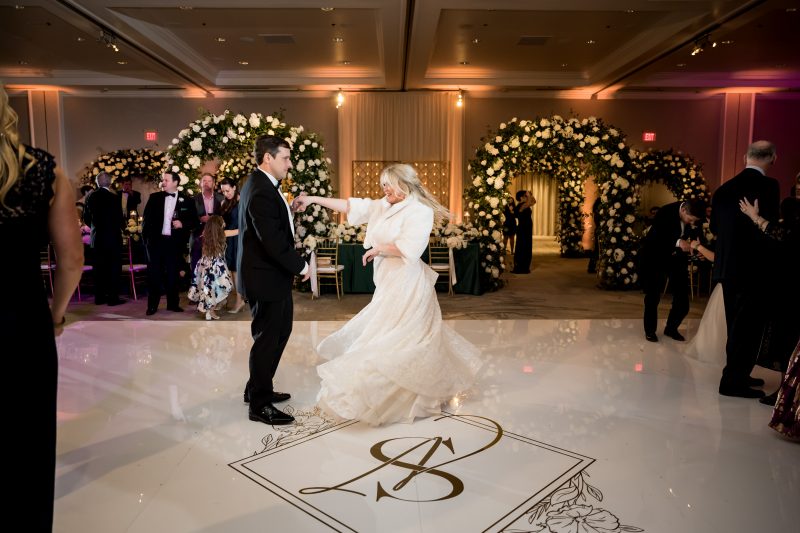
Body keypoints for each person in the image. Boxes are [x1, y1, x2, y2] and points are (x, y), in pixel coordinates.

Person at [292, 163, 482, 426]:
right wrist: (312, 199)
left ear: (404, 183)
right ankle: (390, 390)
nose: (384, 189)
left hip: (408, 283)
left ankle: (410, 396)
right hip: (387, 280)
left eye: (389, 184)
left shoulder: (419, 210)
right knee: (387, 335)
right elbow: (350, 206)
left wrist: (378, 249)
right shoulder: (382, 205)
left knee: (398, 338)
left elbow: (411, 248)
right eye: (383, 184)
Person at [0, 84, 83, 531]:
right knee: (26, 451)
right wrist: (54, 315)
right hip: (22, 326)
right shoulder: (42, 171)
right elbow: (71, 261)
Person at [238, 135, 309, 426]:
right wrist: (301, 266)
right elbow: (271, 240)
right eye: (285, 158)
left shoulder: (262, 185)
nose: (289, 164)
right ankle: (259, 404)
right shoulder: (261, 189)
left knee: (280, 332)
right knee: (267, 340)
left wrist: (288, 212)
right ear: (268, 158)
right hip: (264, 278)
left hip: (270, 277)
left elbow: (268, 225)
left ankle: (256, 387)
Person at [711, 140, 780, 399]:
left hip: (728, 269)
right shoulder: (770, 186)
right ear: (773, 157)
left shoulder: (723, 189)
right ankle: (731, 381)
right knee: (749, 327)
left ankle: (739, 374)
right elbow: (771, 229)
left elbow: (715, 229)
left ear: (745, 157)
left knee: (736, 326)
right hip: (756, 270)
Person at [739, 195, 800, 405]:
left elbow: (777, 233)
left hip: (789, 297)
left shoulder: (789, 233)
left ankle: (785, 395)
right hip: (788, 295)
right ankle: (786, 393)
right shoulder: (787, 232)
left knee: (787, 344)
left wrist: (754, 216)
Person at [639, 198, 706, 342]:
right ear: (683, 210)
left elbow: (697, 235)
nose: (692, 223)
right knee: (652, 297)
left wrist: (700, 249)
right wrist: (678, 241)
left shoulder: (694, 214)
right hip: (656, 256)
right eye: (690, 219)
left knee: (682, 300)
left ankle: (671, 328)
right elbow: (656, 238)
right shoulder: (665, 212)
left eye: (695, 221)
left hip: (677, 259)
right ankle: (650, 331)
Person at [141, 171, 197, 316]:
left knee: (173, 274)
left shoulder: (187, 200)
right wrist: (147, 242)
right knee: (154, 275)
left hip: (174, 243)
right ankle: (152, 305)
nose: (163, 182)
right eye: (163, 180)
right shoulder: (154, 198)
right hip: (156, 243)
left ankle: (173, 304)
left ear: (175, 183)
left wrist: (183, 223)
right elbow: (146, 221)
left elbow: (195, 221)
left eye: (166, 180)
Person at [83, 171, 124, 305]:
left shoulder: (90, 197)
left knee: (99, 269)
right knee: (113, 268)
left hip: (97, 238)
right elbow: (119, 219)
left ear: (97, 182)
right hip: (112, 238)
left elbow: (86, 218)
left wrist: (95, 228)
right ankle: (113, 298)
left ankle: (99, 298)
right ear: (110, 182)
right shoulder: (114, 197)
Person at [188, 215, 232, 320]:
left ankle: (209, 311)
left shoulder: (204, 235)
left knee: (207, 289)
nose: (224, 223)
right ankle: (210, 310)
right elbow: (238, 231)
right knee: (220, 288)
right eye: (223, 222)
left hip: (205, 265)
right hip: (217, 266)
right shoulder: (222, 234)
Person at [220, 177, 245, 313]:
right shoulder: (224, 202)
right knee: (227, 271)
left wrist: (230, 232)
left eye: (228, 190)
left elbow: (247, 226)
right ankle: (225, 299)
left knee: (236, 272)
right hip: (227, 240)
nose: (226, 193)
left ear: (234, 187)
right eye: (223, 191)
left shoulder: (243, 201)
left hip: (238, 239)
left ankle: (239, 301)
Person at [191, 173, 223, 274]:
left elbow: (225, 216)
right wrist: (200, 219)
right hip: (198, 234)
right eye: (204, 181)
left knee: (215, 261)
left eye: (209, 181)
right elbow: (188, 218)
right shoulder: (193, 200)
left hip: (216, 234)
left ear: (213, 184)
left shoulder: (221, 198)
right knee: (196, 260)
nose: (206, 183)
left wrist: (213, 219)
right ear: (200, 183)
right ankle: (196, 284)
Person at [512, 190, 535, 274]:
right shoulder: (521, 206)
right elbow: (530, 202)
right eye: (525, 196)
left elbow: (534, 201)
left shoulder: (525, 204)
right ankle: (520, 267)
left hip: (527, 228)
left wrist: (530, 195)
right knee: (523, 246)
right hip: (523, 229)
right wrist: (528, 195)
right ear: (521, 197)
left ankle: (525, 266)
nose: (527, 197)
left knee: (527, 246)